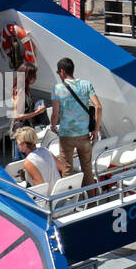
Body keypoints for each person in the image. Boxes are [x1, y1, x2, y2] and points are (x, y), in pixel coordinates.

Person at [50, 57, 101, 194]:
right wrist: (95, 129)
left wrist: (53, 125)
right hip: (84, 135)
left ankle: (70, 200)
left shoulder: (58, 88)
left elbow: (55, 114)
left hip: (66, 135)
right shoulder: (86, 84)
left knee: (67, 169)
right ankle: (91, 201)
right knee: (87, 169)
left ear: (62, 71)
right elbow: (98, 107)